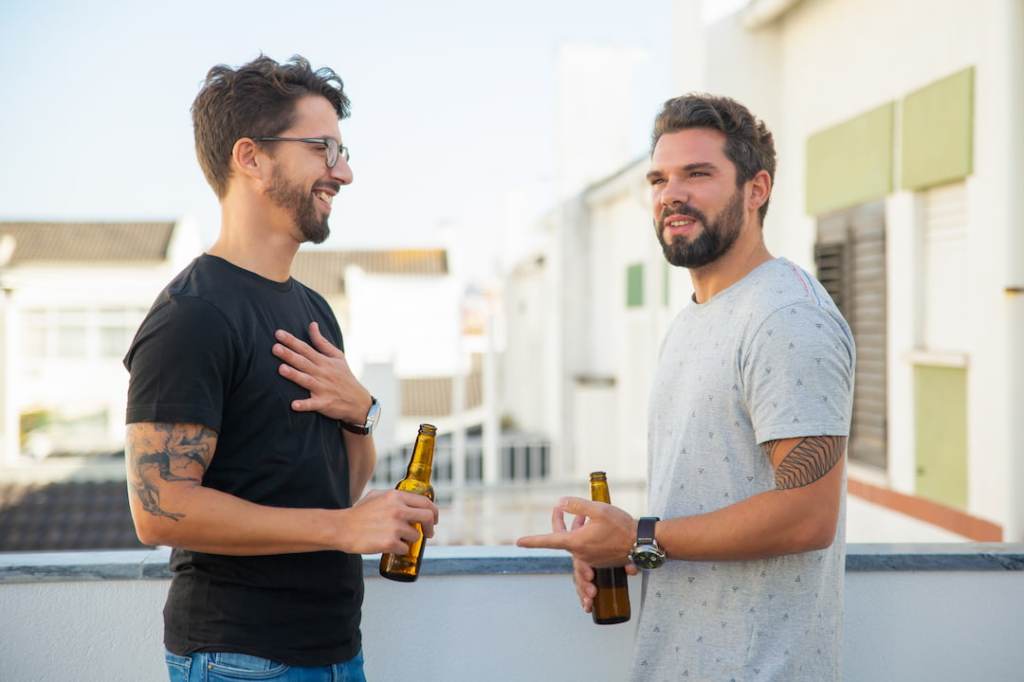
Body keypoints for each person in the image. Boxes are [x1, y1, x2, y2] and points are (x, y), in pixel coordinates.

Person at [518, 93, 855, 681]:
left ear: (757, 189)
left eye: (698, 174)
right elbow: (705, 501)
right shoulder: (698, 315)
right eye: (658, 178)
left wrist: (641, 537)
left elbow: (807, 516)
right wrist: (620, 547)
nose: (672, 193)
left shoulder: (785, 317)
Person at [123, 55, 438, 682]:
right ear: (251, 157)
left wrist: (361, 414)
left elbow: (339, 490)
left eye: (343, 152)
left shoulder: (312, 308)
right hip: (240, 658)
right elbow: (158, 510)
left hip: (334, 650)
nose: (343, 172)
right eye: (323, 149)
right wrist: (345, 528)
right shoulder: (193, 315)